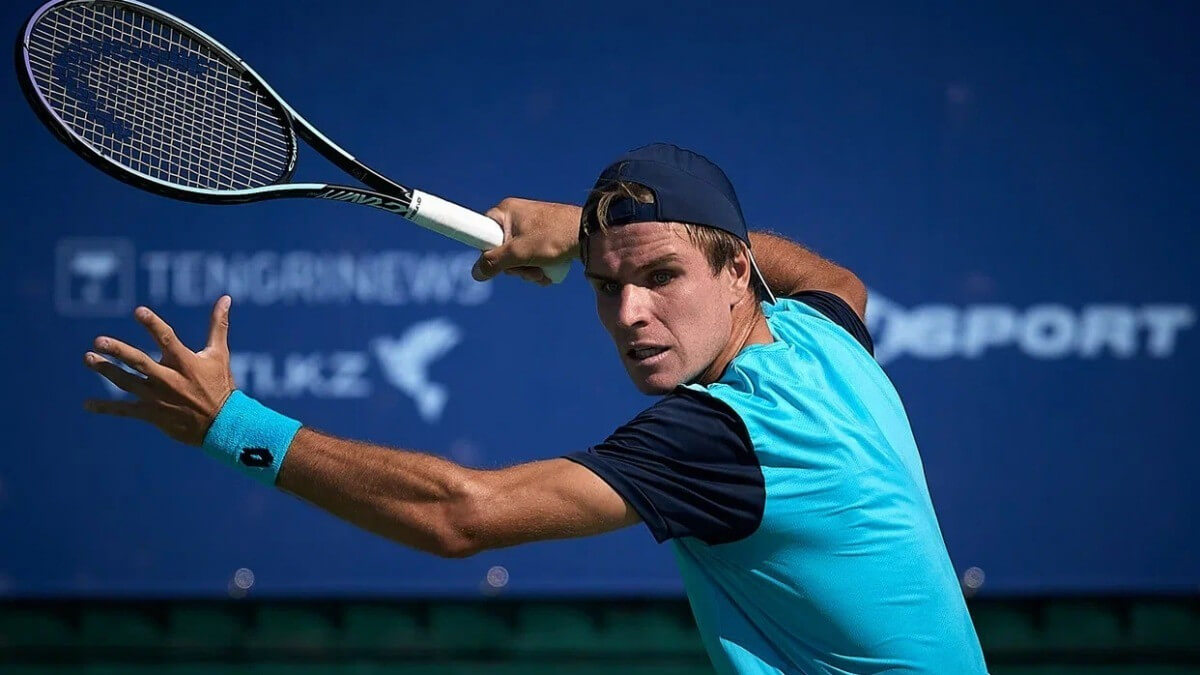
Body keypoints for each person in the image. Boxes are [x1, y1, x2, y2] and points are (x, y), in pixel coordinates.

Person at [83, 143, 988, 674]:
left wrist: (230, 426)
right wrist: (587, 227)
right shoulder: (821, 339)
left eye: (662, 276)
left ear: (737, 273)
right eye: (607, 284)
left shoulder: (721, 436)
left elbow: (461, 514)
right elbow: (836, 278)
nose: (631, 314)